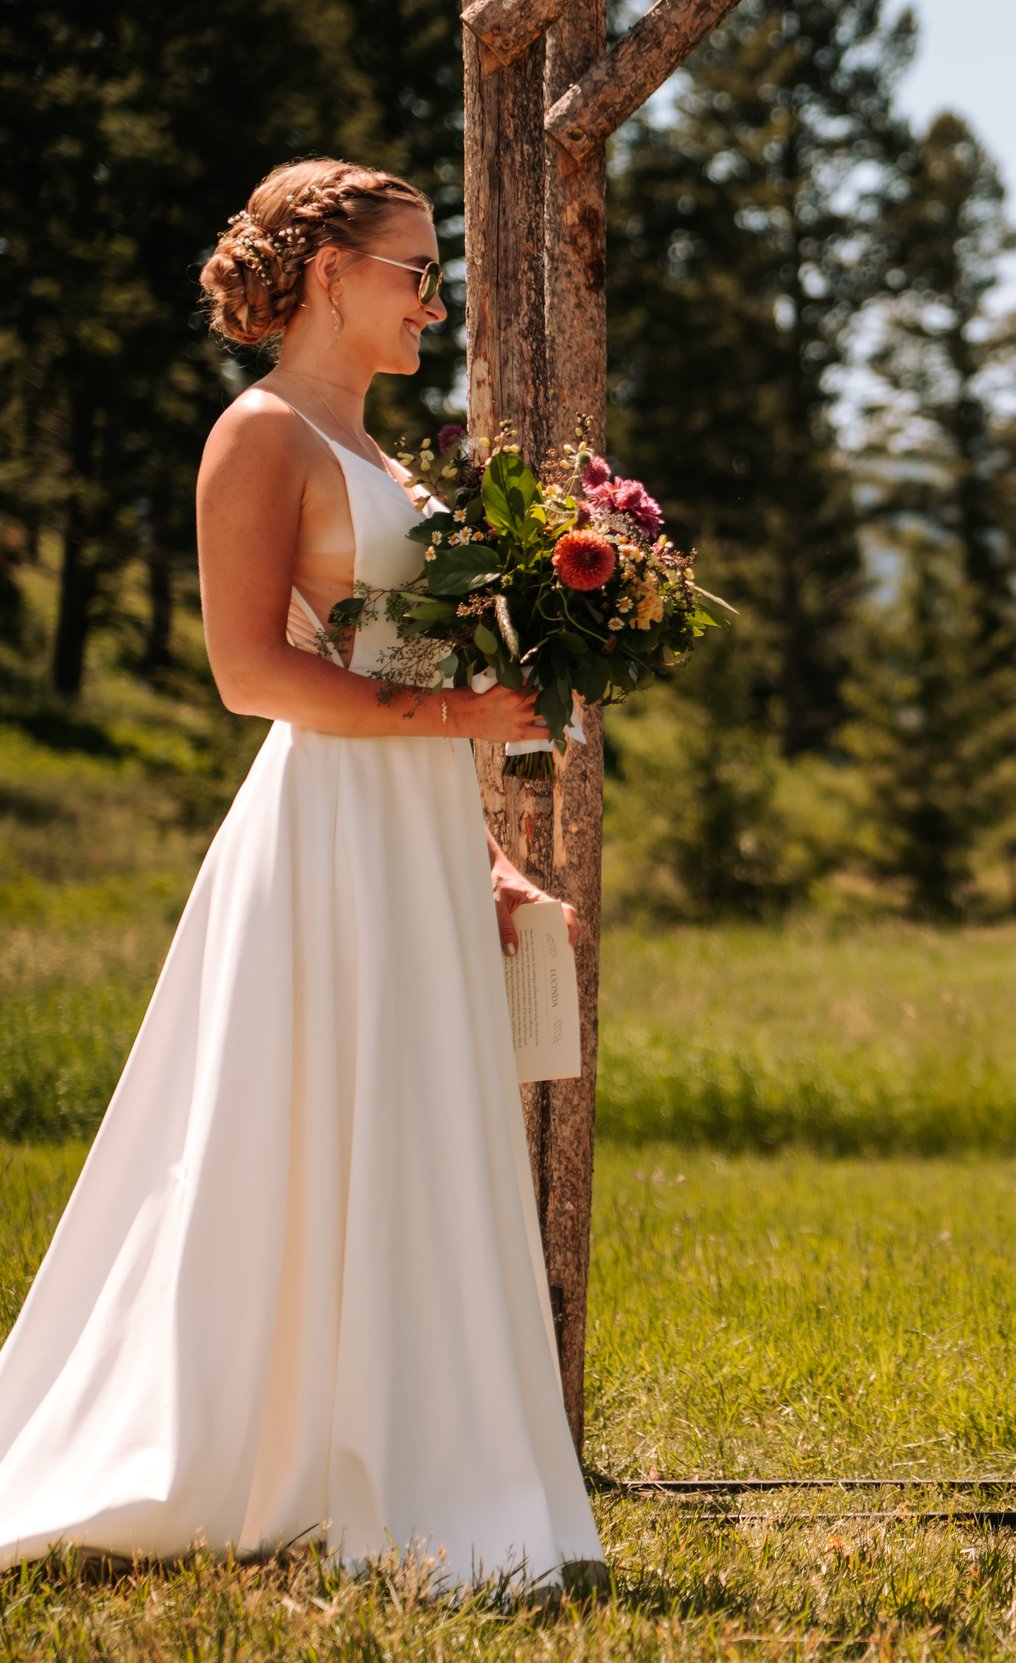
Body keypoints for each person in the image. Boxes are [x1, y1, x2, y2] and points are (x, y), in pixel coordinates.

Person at [0, 159, 603, 1592]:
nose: (434, 299)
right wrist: (462, 718)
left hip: (406, 827)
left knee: (411, 1123)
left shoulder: (383, 452)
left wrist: (484, 851)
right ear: (329, 271)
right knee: (300, 1125)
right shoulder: (259, 436)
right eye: (414, 269)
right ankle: (256, 1447)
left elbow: (399, 656)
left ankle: (423, 1447)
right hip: (324, 832)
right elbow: (248, 669)